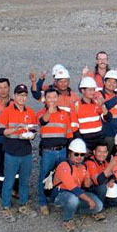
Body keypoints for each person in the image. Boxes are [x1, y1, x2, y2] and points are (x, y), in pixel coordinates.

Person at [0, 83, 37, 218]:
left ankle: (23, 204)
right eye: (19, 95)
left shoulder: (30, 112)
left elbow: (33, 130)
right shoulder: (6, 112)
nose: (22, 98)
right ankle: (6, 206)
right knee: (9, 180)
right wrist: (16, 129)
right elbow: (1, 131)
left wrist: (32, 135)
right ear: (14, 96)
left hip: (26, 152)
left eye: (24, 95)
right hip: (12, 152)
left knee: (24, 181)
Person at [52, 138, 105, 232]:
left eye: (82, 154)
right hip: (62, 194)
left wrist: (90, 178)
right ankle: (67, 220)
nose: (79, 157)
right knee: (73, 199)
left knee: (99, 206)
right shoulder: (64, 166)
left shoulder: (83, 166)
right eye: (76, 154)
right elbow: (74, 188)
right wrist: (89, 200)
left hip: (77, 193)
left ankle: (73, 209)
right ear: (70, 154)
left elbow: (87, 185)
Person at [36, 86, 75, 216]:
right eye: (49, 97)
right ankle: (43, 202)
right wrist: (49, 111)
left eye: (54, 97)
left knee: (61, 176)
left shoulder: (64, 114)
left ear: (58, 98)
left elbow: (69, 133)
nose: (52, 100)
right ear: (45, 99)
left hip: (62, 150)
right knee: (44, 176)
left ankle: (56, 198)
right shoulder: (41, 112)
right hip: (48, 152)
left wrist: (70, 151)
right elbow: (42, 122)